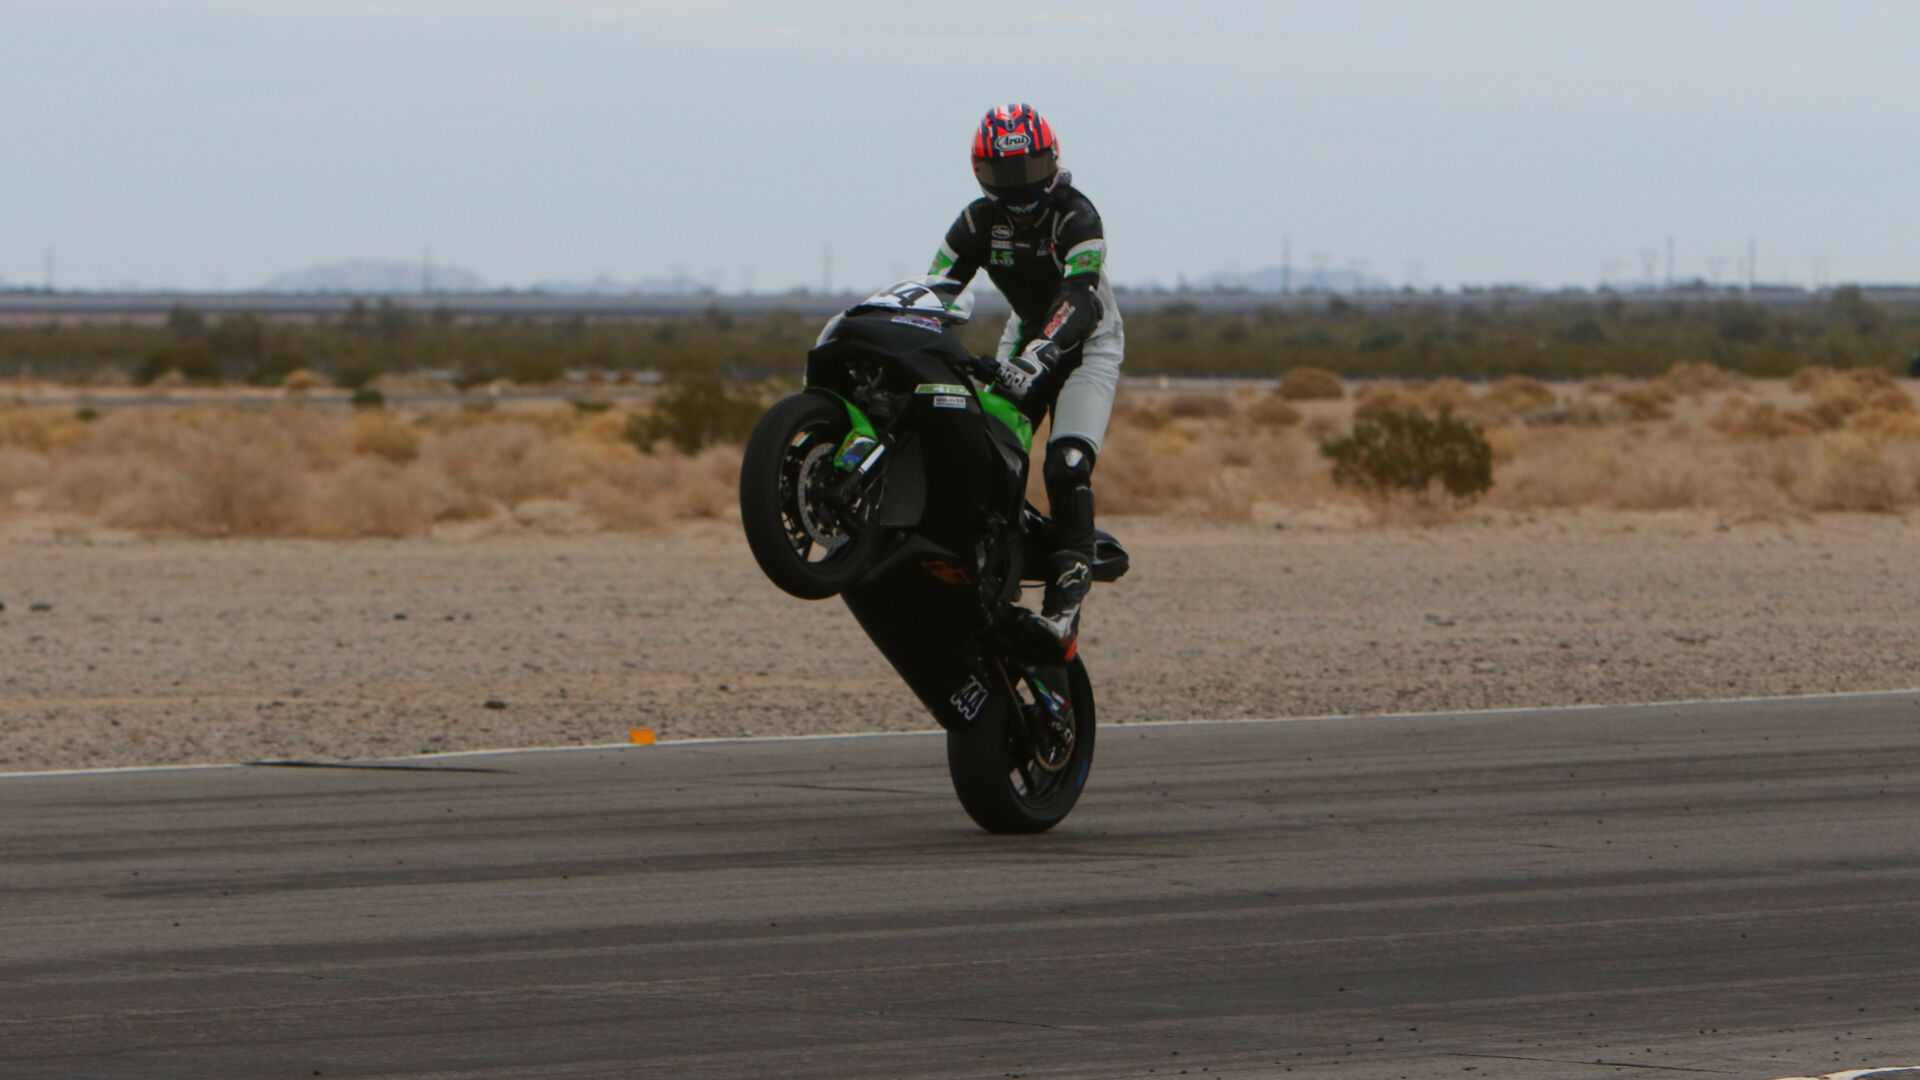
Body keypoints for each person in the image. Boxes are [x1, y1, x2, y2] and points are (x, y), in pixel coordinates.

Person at [929, 103, 1124, 661]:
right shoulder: (973, 222)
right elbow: (937, 288)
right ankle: (994, 556)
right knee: (986, 449)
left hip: (1090, 343)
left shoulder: (1077, 215)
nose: (1018, 186)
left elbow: (1082, 294)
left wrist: (1044, 351)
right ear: (979, 171)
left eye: (1029, 167)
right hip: (1024, 335)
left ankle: (1064, 610)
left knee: (1065, 464)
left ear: (1054, 158)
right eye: (1003, 174)